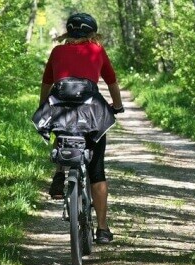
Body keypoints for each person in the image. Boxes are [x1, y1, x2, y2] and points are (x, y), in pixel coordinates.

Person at [39, 13, 124, 244]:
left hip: (61, 108)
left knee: (61, 127)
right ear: (92, 33)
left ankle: (59, 173)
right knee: (97, 170)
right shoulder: (97, 50)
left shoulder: (57, 51)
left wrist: (43, 107)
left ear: (68, 32)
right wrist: (117, 107)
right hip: (91, 112)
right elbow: (112, 82)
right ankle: (103, 229)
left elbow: (47, 84)